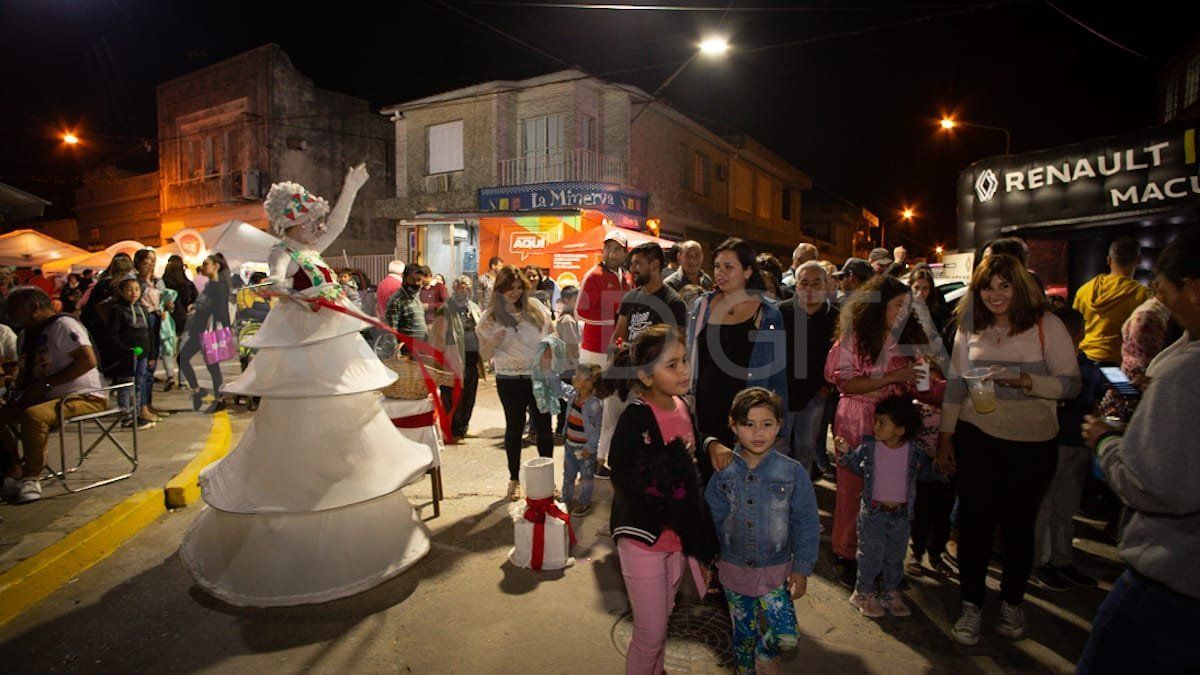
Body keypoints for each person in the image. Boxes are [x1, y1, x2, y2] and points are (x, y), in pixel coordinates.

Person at [935, 254, 1080, 646]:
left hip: (1032, 443)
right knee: (975, 525)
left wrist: (1028, 381)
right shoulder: (971, 324)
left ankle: (1012, 602)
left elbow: (1072, 384)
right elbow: (955, 384)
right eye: (987, 286)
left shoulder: (1046, 325)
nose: (994, 294)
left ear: (1020, 287)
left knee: (1019, 526)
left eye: (1004, 285)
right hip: (977, 435)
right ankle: (970, 605)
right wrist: (945, 437)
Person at [1076, 228, 1200, 675]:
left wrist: (1108, 438)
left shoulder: (1090, 293)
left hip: (1105, 375)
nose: (1163, 299)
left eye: (1166, 290)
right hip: (1122, 383)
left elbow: (1153, 481)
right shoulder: (1141, 303)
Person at [607, 324, 718, 675]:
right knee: (650, 635)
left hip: (675, 542)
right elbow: (621, 474)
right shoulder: (636, 417)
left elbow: (693, 472)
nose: (684, 370)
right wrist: (667, 467)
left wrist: (711, 445)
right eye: (672, 365)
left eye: (684, 360)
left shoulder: (683, 406)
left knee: (664, 615)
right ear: (646, 376)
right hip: (644, 539)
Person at [824, 274, 929, 589]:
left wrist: (923, 381)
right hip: (858, 418)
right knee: (852, 488)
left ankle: (882, 560)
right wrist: (892, 377)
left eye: (907, 307)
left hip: (894, 425)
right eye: (898, 305)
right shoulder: (855, 338)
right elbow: (846, 382)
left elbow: (919, 383)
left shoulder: (906, 339)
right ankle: (846, 554)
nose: (903, 312)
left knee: (888, 494)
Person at [705, 387, 818, 674]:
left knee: (787, 636)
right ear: (733, 426)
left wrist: (802, 568)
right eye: (748, 424)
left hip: (775, 573)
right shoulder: (724, 471)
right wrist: (705, 560)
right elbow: (710, 519)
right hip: (733, 570)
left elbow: (805, 522)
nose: (758, 433)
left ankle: (765, 653)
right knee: (743, 638)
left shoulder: (792, 472)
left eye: (766, 424)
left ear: (779, 425)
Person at [686, 237, 788, 481]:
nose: (720, 273)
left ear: (748, 271)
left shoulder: (768, 313)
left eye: (728, 267)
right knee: (707, 480)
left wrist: (777, 421)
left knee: (743, 483)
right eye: (717, 266)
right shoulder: (702, 306)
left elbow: (777, 371)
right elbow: (690, 355)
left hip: (746, 415)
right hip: (704, 410)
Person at [0, 288, 108, 504]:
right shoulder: (25, 336)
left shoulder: (63, 325)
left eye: (15, 309)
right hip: (46, 397)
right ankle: (13, 469)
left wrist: (47, 384)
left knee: (34, 416)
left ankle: (32, 477)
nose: (10, 315)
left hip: (81, 396)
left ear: (33, 307)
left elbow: (87, 360)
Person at [1032, 305, 1104, 591]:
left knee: (1066, 507)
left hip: (1079, 444)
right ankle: (1039, 563)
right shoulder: (1044, 364)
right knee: (1044, 506)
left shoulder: (1090, 367)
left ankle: (1062, 561)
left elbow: (1100, 400)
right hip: (1053, 442)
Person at [835, 395, 924, 618]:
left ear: (900, 430)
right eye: (875, 421)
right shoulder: (869, 447)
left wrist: (941, 469)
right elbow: (856, 466)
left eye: (882, 423)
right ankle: (863, 593)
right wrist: (846, 453)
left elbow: (923, 474)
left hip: (900, 516)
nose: (875, 426)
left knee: (895, 556)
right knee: (870, 556)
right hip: (873, 514)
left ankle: (890, 592)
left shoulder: (913, 451)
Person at [477, 264, 554, 501]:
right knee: (514, 428)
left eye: (519, 287)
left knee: (544, 428)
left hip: (538, 376)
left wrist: (549, 358)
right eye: (510, 288)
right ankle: (514, 480)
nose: (515, 292)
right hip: (509, 378)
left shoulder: (535, 308)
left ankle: (547, 481)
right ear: (499, 290)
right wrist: (494, 342)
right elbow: (484, 355)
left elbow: (552, 335)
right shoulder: (491, 317)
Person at [778, 261, 839, 477]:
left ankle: (802, 492)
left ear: (826, 285)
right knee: (778, 447)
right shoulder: (781, 312)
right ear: (796, 285)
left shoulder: (836, 317)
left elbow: (838, 357)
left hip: (816, 395)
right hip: (781, 393)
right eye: (804, 283)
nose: (810, 289)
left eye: (816, 283)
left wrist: (825, 388)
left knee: (806, 449)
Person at [1074, 237, 1152, 366]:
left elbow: (1074, 327)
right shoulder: (1142, 295)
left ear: (1109, 260)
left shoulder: (1085, 290)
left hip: (1084, 360)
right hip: (1116, 364)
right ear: (1139, 260)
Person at [178, 254, 232, 413]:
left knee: (212, 367)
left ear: (216, 266)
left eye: (206, 264)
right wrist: (195, 306)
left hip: (209, 331)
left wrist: (224, 331)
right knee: (182, 358)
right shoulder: (210, 285)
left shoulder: (220, 287)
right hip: (199, 330)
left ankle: (219, 400)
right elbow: (204, 303)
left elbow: (222, 312)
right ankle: (198, 391)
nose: (203, 267)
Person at [611, 242, 687, 354]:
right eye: (631, 264)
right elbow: (617, 339)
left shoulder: (674, 303)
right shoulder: (629, 298)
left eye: (637, 263)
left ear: (654, 265)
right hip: (630, 363)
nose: (632, 269)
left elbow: (677, 348)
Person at [432, 276, 482, 439]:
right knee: (452, 396)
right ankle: (453, 427)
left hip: (472, 359)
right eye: (460, 288)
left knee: (469, 395)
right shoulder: (445, 309)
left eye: (467, 288)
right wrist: (438, 361)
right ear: (454, 289)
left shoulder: (474, 307)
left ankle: (463, 425)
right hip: (452, 359)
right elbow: (437, 337)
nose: (464, 291)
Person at [104, 274, 155, 429]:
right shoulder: (117, 310)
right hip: (126, 354)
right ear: (121, 291)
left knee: (139, 383)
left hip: (143, 353)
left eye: (137, 289)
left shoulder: (144, 309)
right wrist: (124, 350)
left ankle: (137, 414)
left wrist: (151, 353)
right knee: (126, 384)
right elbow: (112, 334)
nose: (134, 292)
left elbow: (149, 333)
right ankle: (126, 416)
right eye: (129, 289)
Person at [578, 230, 630, 367]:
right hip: (594, 348)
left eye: (617, 249)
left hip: (619, 348)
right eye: (608, 248)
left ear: (625, 253)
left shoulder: (627, 277)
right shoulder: (593, 276)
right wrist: (617, 317)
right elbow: (580, 312)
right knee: (591, 381)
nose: (611, 254)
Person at [561, 363, 603, 517]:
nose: (574, 378)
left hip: (584, 449)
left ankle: (584, 502)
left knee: (586, 477)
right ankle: (566, 499)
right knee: (568, 475)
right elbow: (559, 387)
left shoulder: (595, 404)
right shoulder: (573, 395)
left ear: (589, 382)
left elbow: (598, 429)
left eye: (578, 376)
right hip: (570, 446)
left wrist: (590, 448)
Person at [132, 249, 168, 422]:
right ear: (139, 262)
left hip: (156, 321)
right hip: (143, 324)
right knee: (143, 367)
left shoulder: (157, 281)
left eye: (153, 260)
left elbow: (162, 301)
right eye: (147, 260)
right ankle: (142, 407)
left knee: (152, 364)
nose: (151, 264)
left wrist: (166, 307)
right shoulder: (135, 282)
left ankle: (148, 404)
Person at [161, 255, 197, 391]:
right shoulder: (188, 283)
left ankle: (170, 375)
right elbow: (197, 301)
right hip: (186, 321)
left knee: (167, 349)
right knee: (184, 352)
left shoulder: (163, 283)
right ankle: (182, 381)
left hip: (168, 321)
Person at [385, 264, 429, 342]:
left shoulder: (416, 297)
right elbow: (391, 332)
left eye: (419, 280)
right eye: (412, 279)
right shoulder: (397, 300)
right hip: (407, 348)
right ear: (404, 278)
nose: (416, 283)